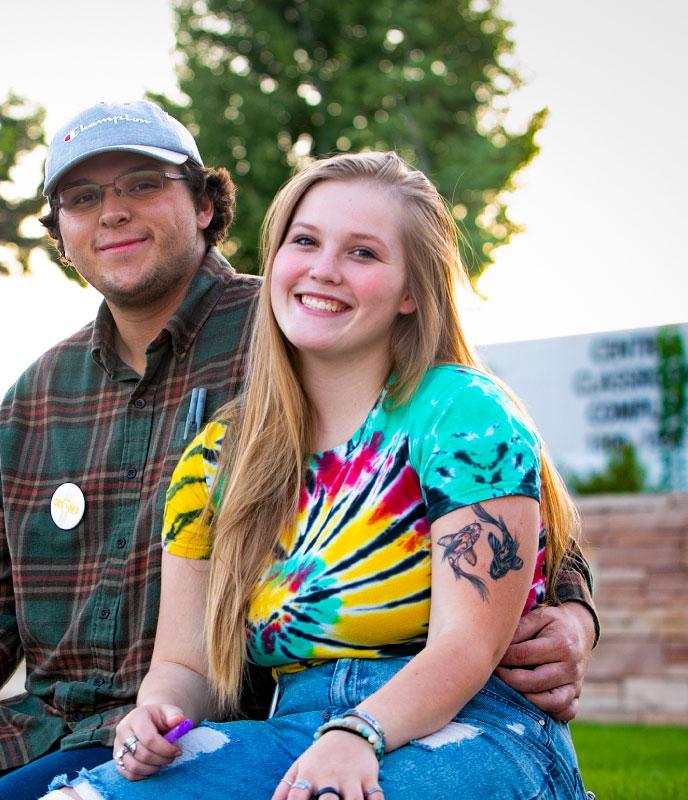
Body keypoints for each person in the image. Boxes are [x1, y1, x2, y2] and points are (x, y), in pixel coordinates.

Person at [0, 101, 597, 800]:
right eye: (83, 198)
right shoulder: (47, 399)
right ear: (59, 232)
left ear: (204, 204)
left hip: (301, 720)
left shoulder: (308, 337)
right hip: (83, 723)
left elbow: (506, 527)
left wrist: (574, 614)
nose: (112, 211)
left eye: (140, 184)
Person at [44, 152, 588, 800]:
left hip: (476, 727)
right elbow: (184, 665)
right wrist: (157, 713)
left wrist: (360, 732)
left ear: (412, 291)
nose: (323, 269)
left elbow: (466, 647)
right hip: (294, 729)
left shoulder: (462, 415)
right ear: (275, 261)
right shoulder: (214, 460)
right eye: (304, 242)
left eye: (363, 253)